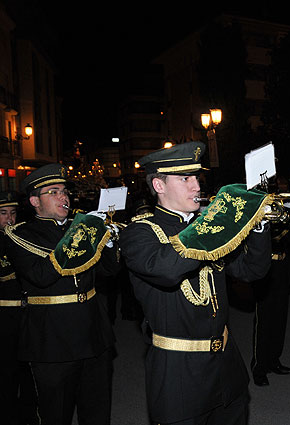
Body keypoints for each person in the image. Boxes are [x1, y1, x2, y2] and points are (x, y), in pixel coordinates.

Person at [119, 141, 272, 425]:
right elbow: (166, 270)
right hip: (179, 373)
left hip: (227, 366)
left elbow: (253, 271)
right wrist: (215, 220)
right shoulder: (139, 233)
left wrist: (258, 225)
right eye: (185, 179)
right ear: (159, 185)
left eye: (196, 178)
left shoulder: (208, 228)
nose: (196, 186)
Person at [4, 164, 120, 425]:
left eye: (65, 191)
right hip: (51, 339)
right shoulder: (20, 234)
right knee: (55, 413)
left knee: (97, 411)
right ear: (34, 201)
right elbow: (42, 275)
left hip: (93, 333)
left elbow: (108, 271)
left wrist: (108, 238)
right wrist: (81, 234)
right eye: (53, 192)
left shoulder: (77, 226)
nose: (63, 197)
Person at [250, 177, 290, 387]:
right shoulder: (258, 206)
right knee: (264, 319)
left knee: (280, 316)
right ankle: (259, 366)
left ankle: (274, 360)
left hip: (282, 266)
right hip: (265, 267)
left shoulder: (281, 205)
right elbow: (268, 237)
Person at [0, 191, 39, 425]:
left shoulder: (23, 239)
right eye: (3, 213)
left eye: (13, 213)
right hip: (4, 316)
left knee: (29, 372)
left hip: (27, 313)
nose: (9, 219)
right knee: (5, 373)